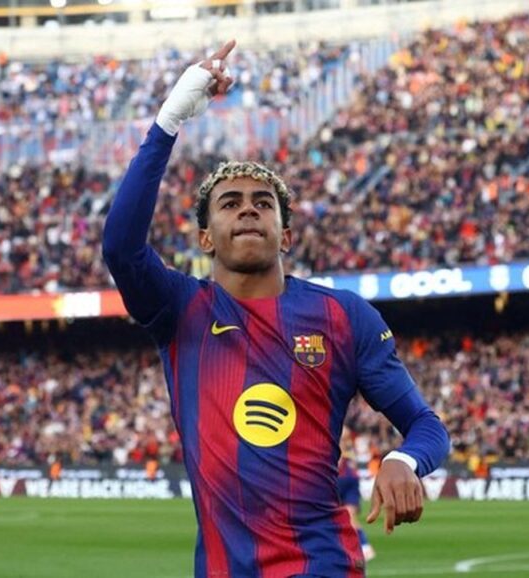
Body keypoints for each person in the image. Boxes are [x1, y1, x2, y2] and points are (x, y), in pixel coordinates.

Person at [103, 40, 449, 577]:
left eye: (263, 203)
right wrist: (169, 119)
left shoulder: (344, 317)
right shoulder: (180, 309)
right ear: (206, 238)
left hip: (322, 565)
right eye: (230, 203)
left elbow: (427, 425)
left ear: (285, 235)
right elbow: (121, 248)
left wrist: (405, 459)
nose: (248, 210)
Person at [338, 428, 375, 562]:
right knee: (347, 516)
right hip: (341, 477)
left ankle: (363, 546)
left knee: (349, 515)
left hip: (345, 478)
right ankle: (362, 546)